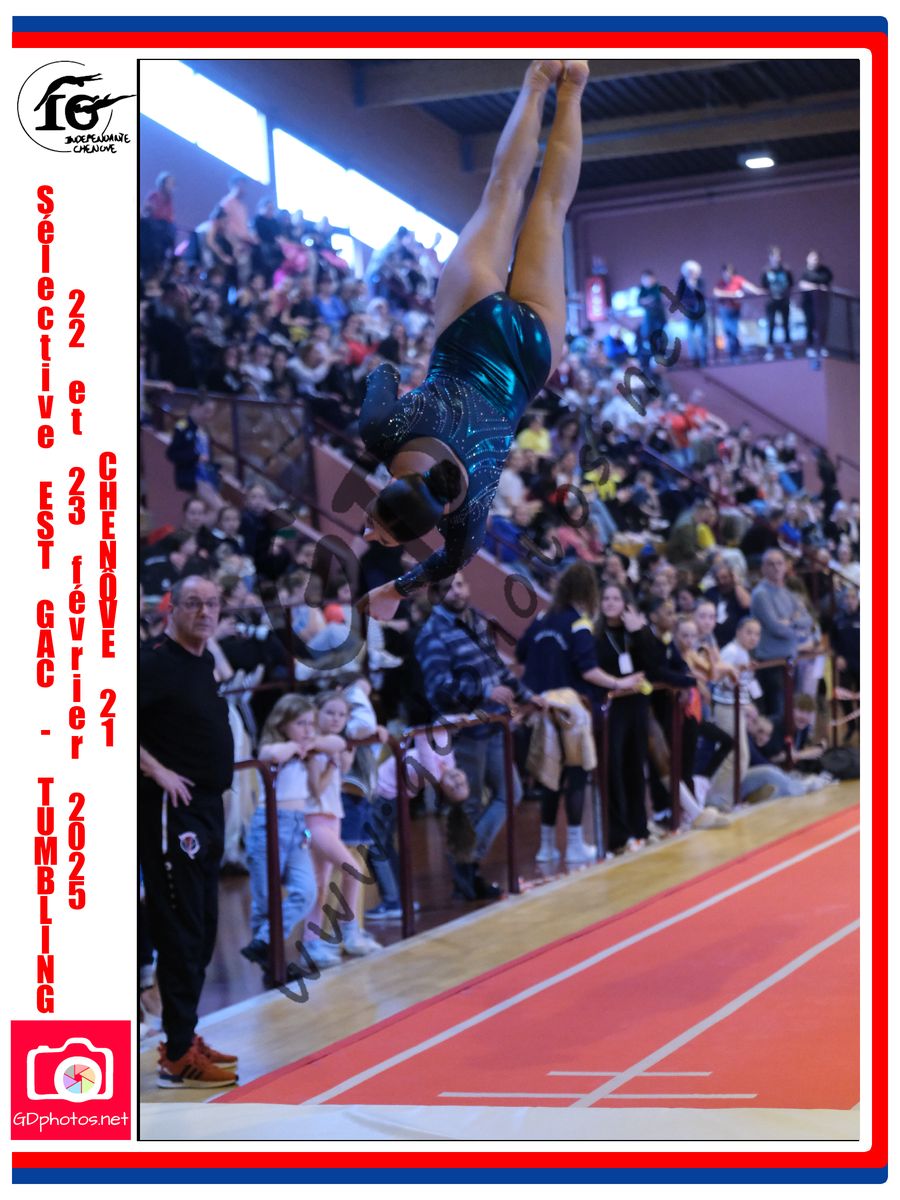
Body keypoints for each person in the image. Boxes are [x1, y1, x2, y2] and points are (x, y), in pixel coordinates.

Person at [355, 61, 591, 621]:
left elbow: (448, 562)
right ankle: (539, 80)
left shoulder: (467, 518)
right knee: (502, 191)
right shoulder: (381, 432)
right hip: (467, 321)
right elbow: (383, 372)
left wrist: (393, 592)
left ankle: (574, 89)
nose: (366, 534)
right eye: (374, 528)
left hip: (529, 357)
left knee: (551, 210)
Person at [139, 576, 239, 1088]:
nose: (205, 612)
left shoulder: (201, 661)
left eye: (212, 604)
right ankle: (177, 1056)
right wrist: (156, 770)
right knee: (180, 932)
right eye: (194, 603)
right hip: (170, 813)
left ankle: (184, 1035)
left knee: (200, 929)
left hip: (206, 808)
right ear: (171, 609)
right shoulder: (153, 661)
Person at [415, 572, 544, 897]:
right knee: (468, 805)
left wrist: (529, 695)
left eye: (460, 584)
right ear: (437, 595)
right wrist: (483, 690)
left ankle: (468, 857)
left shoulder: (478, 620)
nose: (456, 592)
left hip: (493, 726)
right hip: (464, 733)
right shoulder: (432, 634)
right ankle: (466, 878)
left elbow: (498, 670)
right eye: (448, 588)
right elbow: (438, 689)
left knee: (510, 793)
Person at [516, 562, 643, 865]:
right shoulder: (579, 624)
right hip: (570, 709)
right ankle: (574, 843)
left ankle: (546, 846)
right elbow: (588, 669)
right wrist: (620, 682)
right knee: (575, 773)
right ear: (589, 591)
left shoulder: (542, 618)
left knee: (549, 776)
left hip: (540, 707)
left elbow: (520, 654)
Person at [750, 549, 814, 717]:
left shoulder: (788, 593)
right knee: (778, 714)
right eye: (771, 564)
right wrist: (795, 623)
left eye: (779, 563)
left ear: (786, 566)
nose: (776, 568)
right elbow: (776, 628)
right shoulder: (761, 594)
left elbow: (808, 621)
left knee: (791, 711)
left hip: (790, 659)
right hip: (771, 661)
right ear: (763, 568)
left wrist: (789, 621)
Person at [713, 263, 765, 361]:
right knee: (728, 332)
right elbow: (716, 293)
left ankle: (735, 355)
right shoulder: (720, 283)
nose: (727, 274)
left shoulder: (737, 280)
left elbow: (751, 288)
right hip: (724, 310)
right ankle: (733, 355)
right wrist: (733, 294)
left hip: (734, 310)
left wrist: (761, 291)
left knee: (733, 331)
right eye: (725, 272)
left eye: (729, 272)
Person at [760, 245, 794, 361]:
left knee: (786, 324)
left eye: (779, 256)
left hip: (784, 301)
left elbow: (791, 284)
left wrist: (786, 295)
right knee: (771, 325)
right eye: (775, 256)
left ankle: (788, 349)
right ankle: (770, 350)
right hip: (771, 302)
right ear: (770, 257)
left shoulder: (786, 270)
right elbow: (764, 286)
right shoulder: (766, 271)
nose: (777, 258)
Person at [798, 249, 833, 358]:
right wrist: (817, 287)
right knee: (809, 324)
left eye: (816, 258)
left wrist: (812, 286)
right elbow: (802, 285)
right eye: (812, 258)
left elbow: (826, 284)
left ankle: (822, 346)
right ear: (807, 259)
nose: (814, 260)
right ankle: (810, 347)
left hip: (822, 304)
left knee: (822, 326)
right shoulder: (804, 272)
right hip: (808, 304)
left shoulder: (825, 271)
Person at [675, 259, 707, 367]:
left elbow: (702, 294)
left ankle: (704, 358)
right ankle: (694, 358)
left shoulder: (700, 281)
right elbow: (680, 296)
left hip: (701, 310)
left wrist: (693, 286)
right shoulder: (682, 282)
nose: (691, 274)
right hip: (689, 311)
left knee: (703, 335)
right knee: (691, 335)